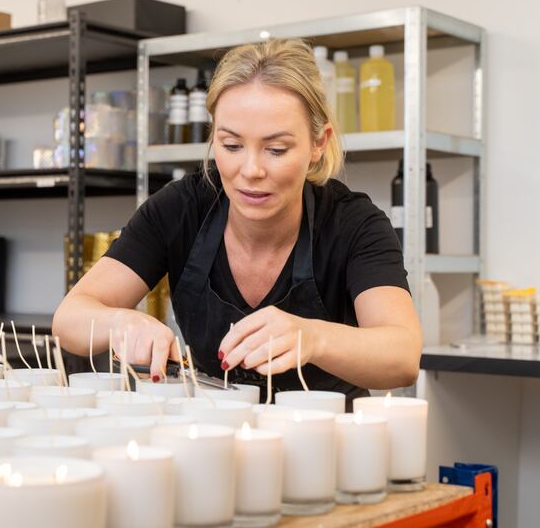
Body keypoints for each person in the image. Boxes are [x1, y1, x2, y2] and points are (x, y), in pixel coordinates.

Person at [53, 38, 422, 401]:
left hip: (331, 447)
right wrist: (119, 323)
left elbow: (402, 355)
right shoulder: (181, 209)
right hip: (218, 438)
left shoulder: (353, 223)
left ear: (318, 144)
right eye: (231, 146)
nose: (251, 170)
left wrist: (313, 338)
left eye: (276, 149)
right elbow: (70, 318)